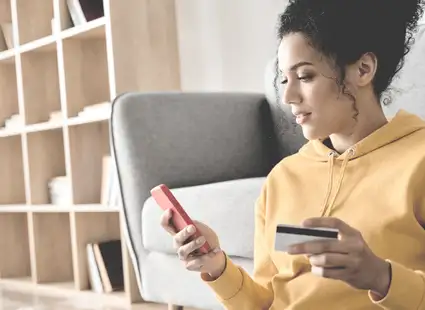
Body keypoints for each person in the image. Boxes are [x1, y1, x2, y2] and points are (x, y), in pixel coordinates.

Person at [161, 0, 425, 309]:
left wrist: (382, 277)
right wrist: (216, 266)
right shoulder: (283, 179)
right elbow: (266, 301)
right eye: (285, 79)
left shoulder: (417, 161)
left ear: (363, 69)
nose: (287, 96)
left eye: (305, 76)